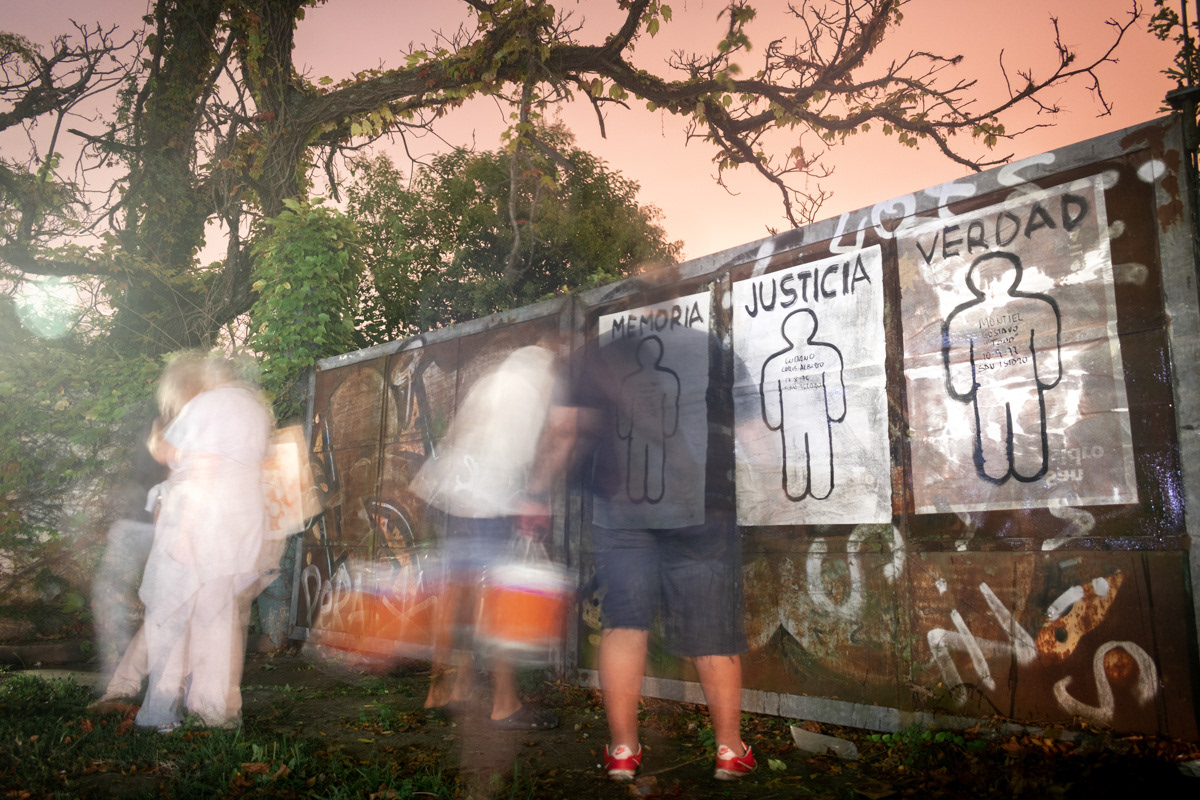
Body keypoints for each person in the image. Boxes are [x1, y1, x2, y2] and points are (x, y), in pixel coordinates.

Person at [560, 306, 756, 783]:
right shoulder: (710, 347)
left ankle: (624, 751)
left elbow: (569, 430)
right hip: (699, 506)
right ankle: (730, 750)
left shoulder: (599, 355)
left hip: (621, 509)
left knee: (624, 623)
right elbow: (750, 429)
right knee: (712, 626)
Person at [409, 344, 562, 731]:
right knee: (499, 600)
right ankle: (504, 703)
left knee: (457, 596)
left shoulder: (490, 384)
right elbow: (519, 458)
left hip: (451, 498)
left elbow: (457, 439)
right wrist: (532, 499)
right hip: (488, 503)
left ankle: (444, 689)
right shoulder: (529, 393)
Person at [135, 352, 273, 732]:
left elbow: (204, 464)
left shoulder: (206, 405)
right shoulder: (254, 409)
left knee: (169, 616)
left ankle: (160, 714)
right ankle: (214, 714)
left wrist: (182, 533)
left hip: (201, 523)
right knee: (216, 619)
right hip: (240, 524)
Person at [87, 413, 168, 713]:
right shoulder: (162, 417)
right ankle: (120, 682)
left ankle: (131, 683)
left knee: (170, 609)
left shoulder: (200, 424)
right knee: (110, 595)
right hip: (140, 526)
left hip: (174, 530)